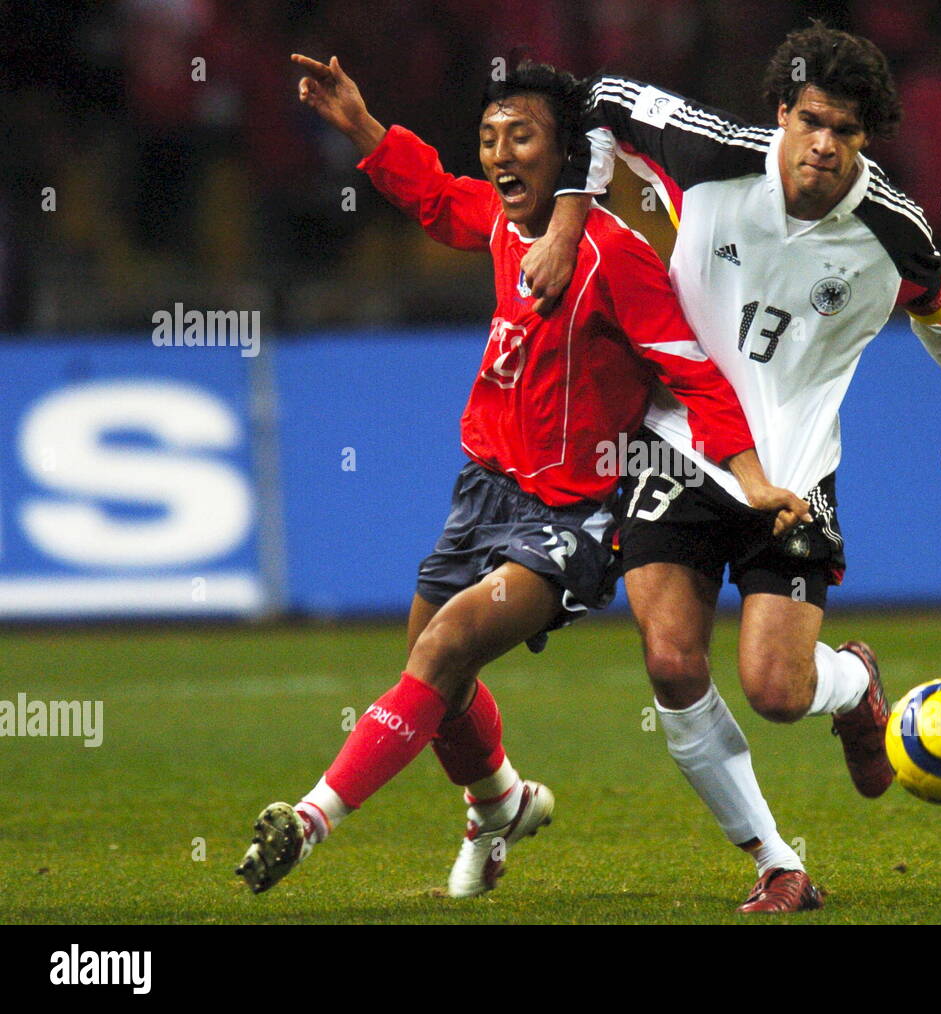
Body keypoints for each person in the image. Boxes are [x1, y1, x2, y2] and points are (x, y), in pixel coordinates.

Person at [524, 22, 941, 913]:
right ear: (781, 113)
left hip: (794, 475)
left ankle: (856, 683)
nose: (825, 146)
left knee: (776, 691)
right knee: (673, 663)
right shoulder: (707, 153)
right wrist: (565, 223)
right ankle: (775, 862)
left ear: (867, 140)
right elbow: (585, 97)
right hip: (679, 443)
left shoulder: (891, 230)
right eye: (813, 121)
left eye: (848, 132)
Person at [236, 54, 808, 899]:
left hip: (568, 514)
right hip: (483, 491)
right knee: (437, 678)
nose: (500, 155)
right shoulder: (504, 226)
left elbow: (694, 373)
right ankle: (500, 802)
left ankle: (311, 820)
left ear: (568, 153)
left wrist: (751, 477)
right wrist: (359, 122)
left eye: (522, 137)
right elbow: (434, 195)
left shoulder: (615, 257)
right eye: (489, 138)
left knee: (443, 650)